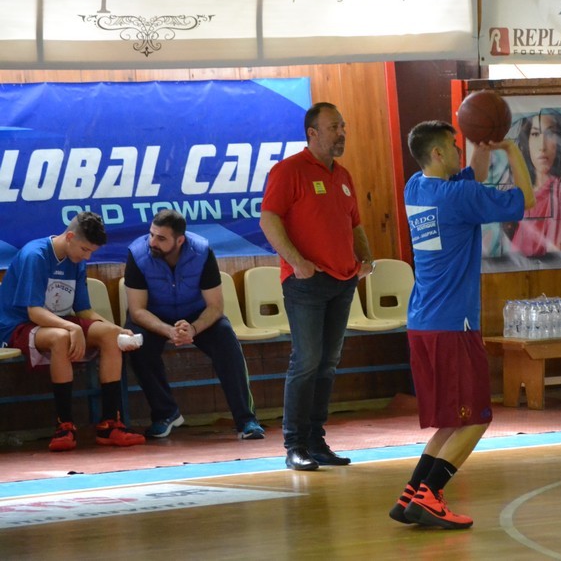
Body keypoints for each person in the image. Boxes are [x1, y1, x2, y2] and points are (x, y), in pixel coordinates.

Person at [389, 120, 534, 529]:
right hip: (454, 325)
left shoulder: (416, 188)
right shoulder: (460, 197)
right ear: (438, 153)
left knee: (453, 420)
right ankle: (430, 496)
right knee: (477, 419)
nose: (459, 151)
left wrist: (480, 147)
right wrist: (511, 149)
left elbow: (470, 176)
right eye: (454, 146)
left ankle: (411, 494)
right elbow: (526, 200)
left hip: (423, 322)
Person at [260, 101, 375, 471]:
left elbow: (354, 223)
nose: (342, 133)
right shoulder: (288, 170)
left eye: (343, 126)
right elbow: (268, 220)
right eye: (333, 127)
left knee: (327, 363)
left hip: (343, 281)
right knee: (307, 361)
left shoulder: (343, 175)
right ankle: (294, 444)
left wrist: (366, 258)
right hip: (306, 283)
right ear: (312, 133)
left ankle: (316, 441)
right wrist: (297, 262)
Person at [0, 211, 145, 451]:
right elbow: (34, 312)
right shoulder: (35, 255)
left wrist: (117, 329)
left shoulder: (77, 261)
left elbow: (84, 310)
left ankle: (110, 424)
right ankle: (64, 425)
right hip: (19, 324)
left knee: (110, 336)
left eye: (91, 252)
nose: (87, 256)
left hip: (60, 321)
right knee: (61, 337)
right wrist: (71, 327)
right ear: (69, 237)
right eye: (84, 249)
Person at [124, 209, 265, 440]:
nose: (152, 242)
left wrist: (193, 329)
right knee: (137, 343)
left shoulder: (202, 251)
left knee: (225, 337)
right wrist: (168, 330)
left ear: (180, 240)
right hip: (154, 317)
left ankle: (246, 419)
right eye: (151, 234)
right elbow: (137, 310)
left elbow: (215, 306)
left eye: (161, 238)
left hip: (195, 316)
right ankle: (165, 413)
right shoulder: (137, 253)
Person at [508, 108, 561, 257]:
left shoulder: (559, 190)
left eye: (550, 134)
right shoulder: (519, 191)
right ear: (527, 141)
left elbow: (557, 249)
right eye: (535, 134)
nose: (542, 146)